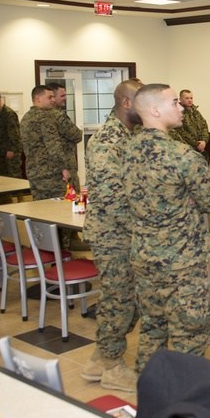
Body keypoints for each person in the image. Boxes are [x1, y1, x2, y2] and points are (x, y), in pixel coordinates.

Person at [124, 84, 210, 373]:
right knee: (189, 332)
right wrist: (187, 195)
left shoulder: (129, 149)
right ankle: (181, 400)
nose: (180, 108)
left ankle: (150, 391)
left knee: (153, 327)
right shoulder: (182, 155)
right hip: (182, 262)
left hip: (144, 256)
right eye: (174, 103)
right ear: (154, 111)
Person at [81, 79, 144, 393]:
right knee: (120, 300)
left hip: (122, 232)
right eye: (141, 101)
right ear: (126, 103)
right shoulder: (108, 139)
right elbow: (110, 196)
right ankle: (112, 366)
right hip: (114, 234)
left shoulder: (128, 135)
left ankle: (99, 359)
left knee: (119, 299)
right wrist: (143, 227)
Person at [22, 86, 78, 249]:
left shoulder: (26, 117)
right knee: (60, 216)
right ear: (37, 98)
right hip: (51, 174)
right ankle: (62, 255)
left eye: (54, 97)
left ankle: (42, 248)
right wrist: (64, 168)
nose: (53, 100)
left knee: (39, 214)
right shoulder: (45, 118)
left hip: (34, 173)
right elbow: (53, 145)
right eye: (49, 97)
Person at [46, 82, 83, 191]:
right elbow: (77, 135)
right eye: (62, 96)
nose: (65, 98)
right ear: (53, 97)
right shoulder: (57, 115)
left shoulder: (41, 114)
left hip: (51, 168)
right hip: (66, 165)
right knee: (72, 198)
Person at [0, 92, 21, 178]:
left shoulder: (9, 113)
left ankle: (17, 192)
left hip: (10, 149)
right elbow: (0, 133)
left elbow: (14, 133)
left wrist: (11, 150)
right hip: (2, 149)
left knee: (14, 175)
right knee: (3, 175)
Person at [176, 89, 209, 154]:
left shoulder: (196, 113)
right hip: (185, 149)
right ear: (180, 99)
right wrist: (196, 144)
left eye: (191, 98)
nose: (190, 100)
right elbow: (180, 132)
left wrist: (203, 141)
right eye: (187, 98)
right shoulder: (178, 113)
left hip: (200, 147)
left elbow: (204, 127)